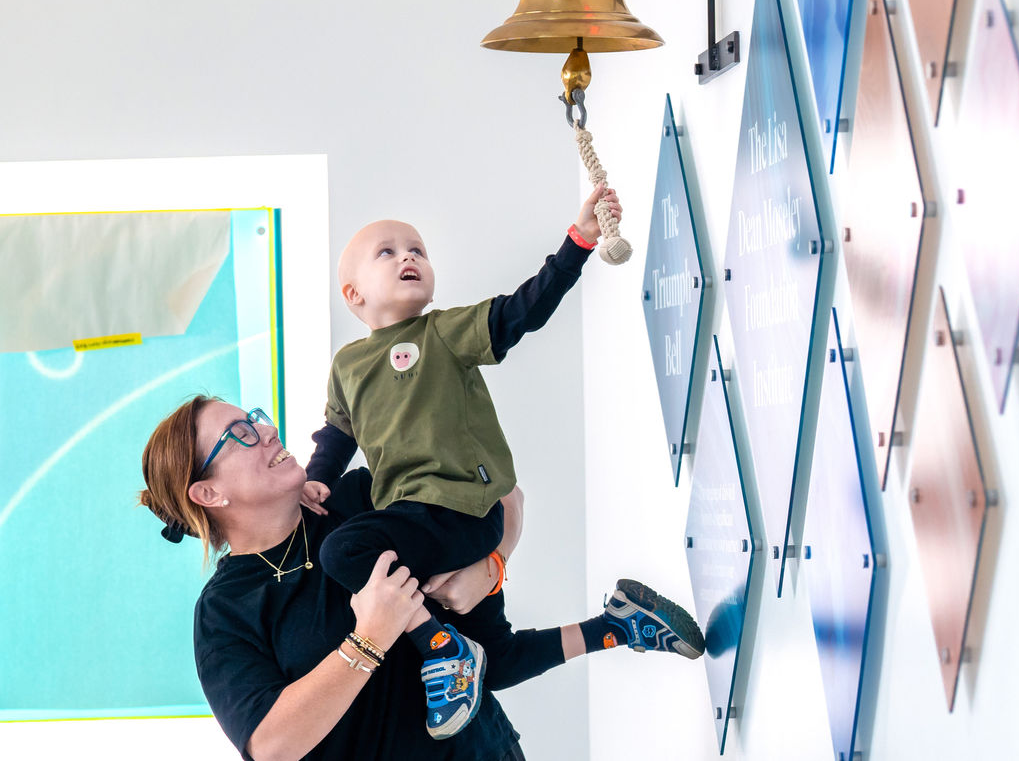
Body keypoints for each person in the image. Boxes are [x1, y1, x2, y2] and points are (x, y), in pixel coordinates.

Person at [303, 183, 704, 738]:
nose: (409, 257)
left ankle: (439, 645)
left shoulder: (443, 332)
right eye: (388, 252)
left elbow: (524, 310)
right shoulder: (348, 363)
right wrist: (317, 482)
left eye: (417, 248)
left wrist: (579, 242)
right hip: (418, 524)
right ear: (354, 295)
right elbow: (336, 433)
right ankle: (618, 625)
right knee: (498, 661)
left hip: (460, 510)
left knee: (343, 549)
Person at [140, 396, 533, 761]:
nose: (268, 431)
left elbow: (501, 494)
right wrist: (369, 640)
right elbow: (272, 745)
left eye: (255, 419)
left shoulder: (359, 496)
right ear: (208, 493)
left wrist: (492, 567)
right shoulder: (223, 610)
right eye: (240, 434)